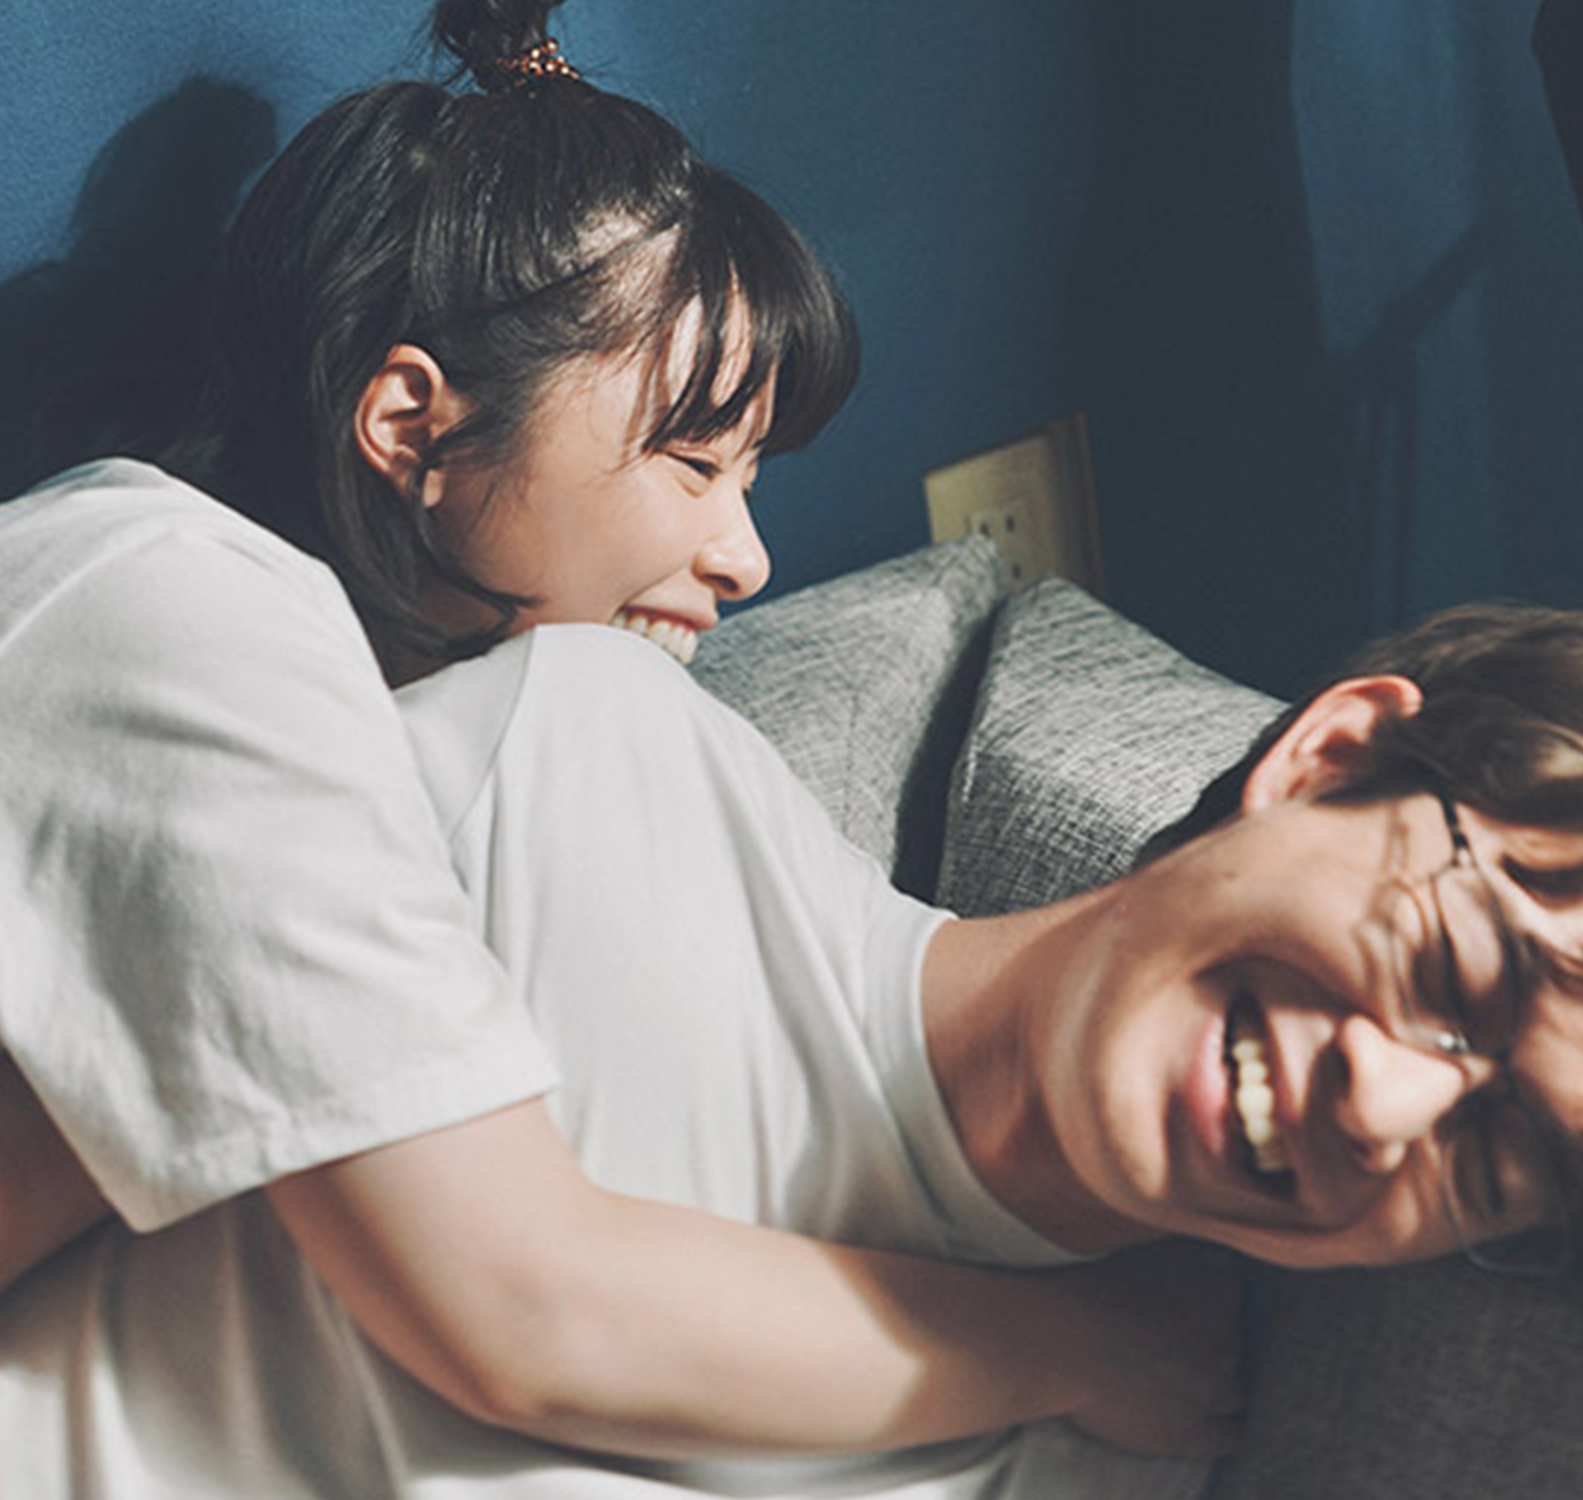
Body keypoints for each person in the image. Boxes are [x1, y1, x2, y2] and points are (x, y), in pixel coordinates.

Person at [0, 0, 1243, 1478]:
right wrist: (1090, 1352)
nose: (746, 557)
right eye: (693, 460)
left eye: (754, 474)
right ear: (414, 425)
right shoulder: (160, 598)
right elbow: (529, 1309)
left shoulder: (461, 773)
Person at [1, 579, 1583, 1498]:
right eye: (1459, 972)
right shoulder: (588, 759)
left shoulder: (1117, 1466)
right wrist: (1047, 1344)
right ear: (1330, 757)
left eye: (1493, 1158)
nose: (1384, 1096)